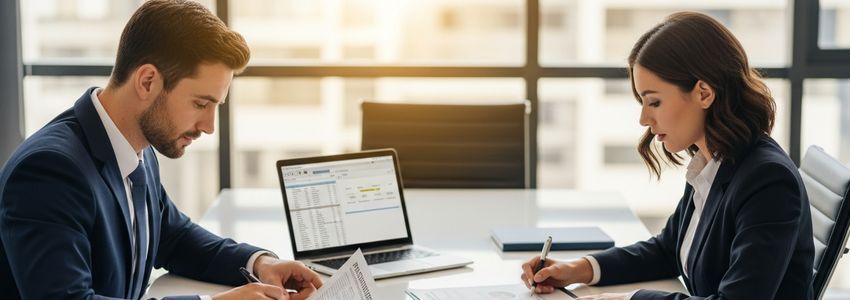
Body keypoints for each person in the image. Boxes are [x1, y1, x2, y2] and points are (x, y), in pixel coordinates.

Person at [0, 1, 322, 299]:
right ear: (148, 81)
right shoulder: (49, 171)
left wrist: (259, 264)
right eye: (200, 103)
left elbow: (174, 237)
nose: (209, 126)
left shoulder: (137, 147)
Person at [521, 12, 814, 300]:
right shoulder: (713, 161)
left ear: (703, 93)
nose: (644, 119)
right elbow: (669, 249)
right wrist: (577, 270)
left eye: (654, 102)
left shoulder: (767, 181)